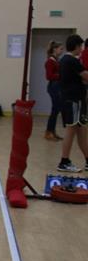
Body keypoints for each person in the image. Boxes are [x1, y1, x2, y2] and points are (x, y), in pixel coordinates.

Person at [56, 34, 88, 173]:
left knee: (82, 131)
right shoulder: (71, 60)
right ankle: (64, 161)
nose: (82, 49)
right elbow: (86, 76)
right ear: (76, 46)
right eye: (81, 46)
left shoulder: (65, 60)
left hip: (74, 100)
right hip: (73, 101)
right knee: (71, 130)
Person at [44, 41, 64, 141]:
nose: (62, 51)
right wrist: (61, 76)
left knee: (56, 110)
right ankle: (48, 132)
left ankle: (52, 131)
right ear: (55, 49)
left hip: (58, 87)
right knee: (55, 110)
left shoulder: (57, 60)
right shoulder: (50, 61)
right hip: (53, 87)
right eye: (61, 49)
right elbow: (49, 76)